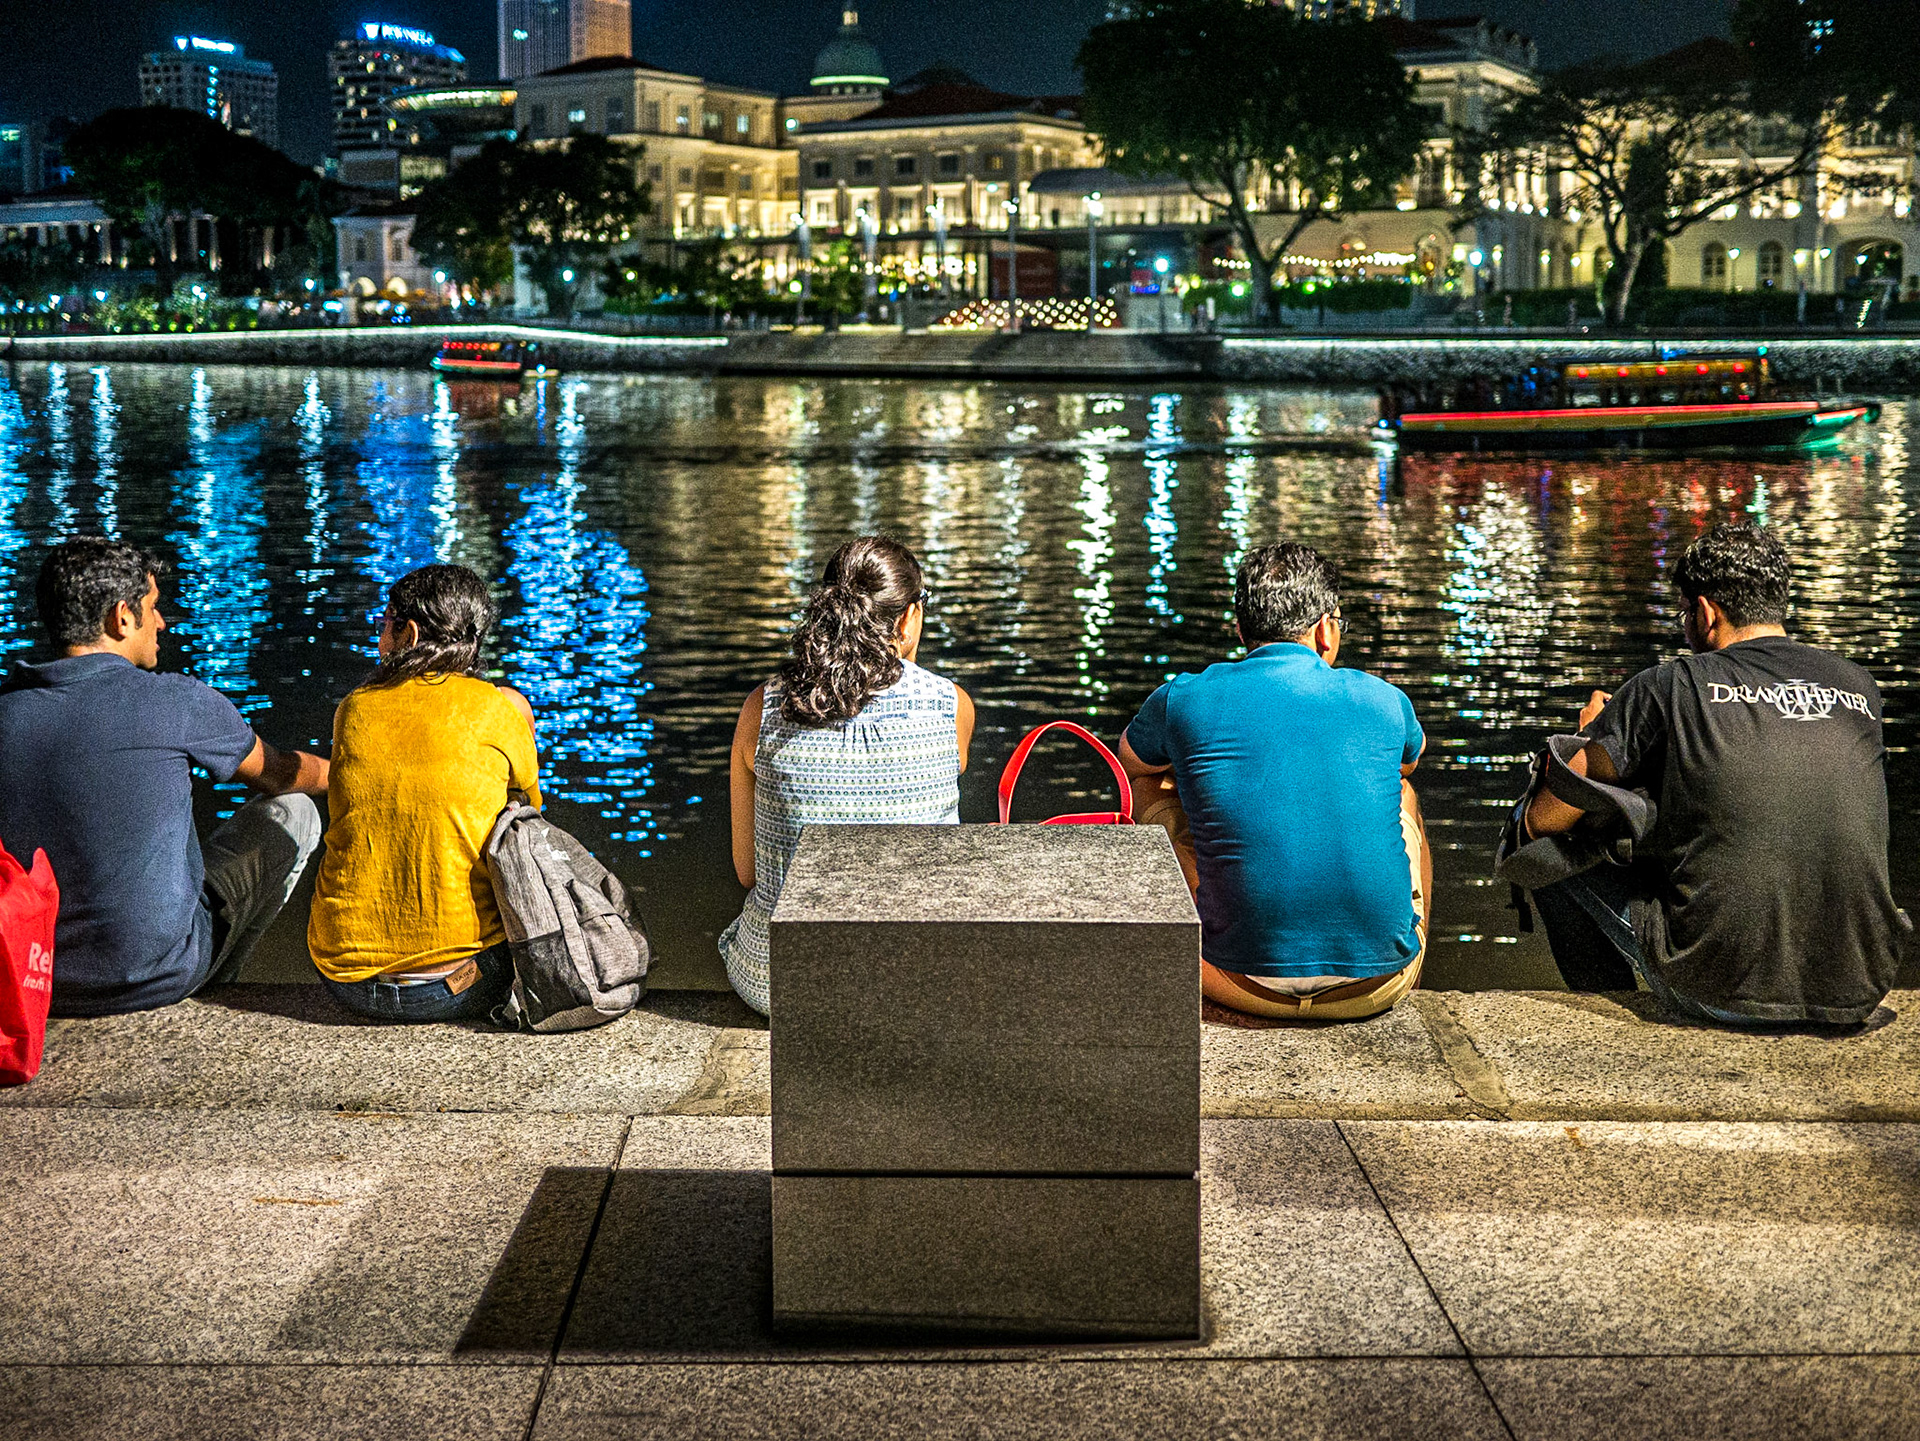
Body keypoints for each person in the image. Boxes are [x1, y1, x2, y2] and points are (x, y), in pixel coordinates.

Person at [1523, 522, 1906, 1028]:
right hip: (1859, 985)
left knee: (1542, 859)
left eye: (1684, 612)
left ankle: (1606, 1006)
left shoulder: (1670, 685)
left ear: (1706, 612)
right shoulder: (1860, 688)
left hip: (1722, 992)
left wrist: (1593, 737)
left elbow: (1545, 819)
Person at [0, 539, 328, 1017]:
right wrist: (359, 768)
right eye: (153, 608)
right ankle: (218, 986)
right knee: (294, 812)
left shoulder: (6, 710)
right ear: (121, 618)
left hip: (27, 973)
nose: (162, 623)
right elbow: (280, 775)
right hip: (155, 973)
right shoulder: (177, 702)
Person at [1119, 542, 1432, 1021]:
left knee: (1150, 788)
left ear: (1242, 629)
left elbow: (1130, 764)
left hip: (1234, 980)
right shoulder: (1384, 699)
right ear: (1326, 629)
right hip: (1376, 985)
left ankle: (1205, 917)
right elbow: (1407, 766)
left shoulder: (1183, 696)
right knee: (1402, 795)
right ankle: (1396, 942)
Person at [723, 536, 975, 1015]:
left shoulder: (764, 707)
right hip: (916, 982)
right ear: (908, 617)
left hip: (778, 984)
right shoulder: (950, 705)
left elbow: (747, 871)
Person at [308, 564, 539, 1022]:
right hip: (460, 985)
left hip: (345, 979)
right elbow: (530, 816)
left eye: (383, 625)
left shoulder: (353, 708)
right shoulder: (502, 707)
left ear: (408, 633)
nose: (380, 638)